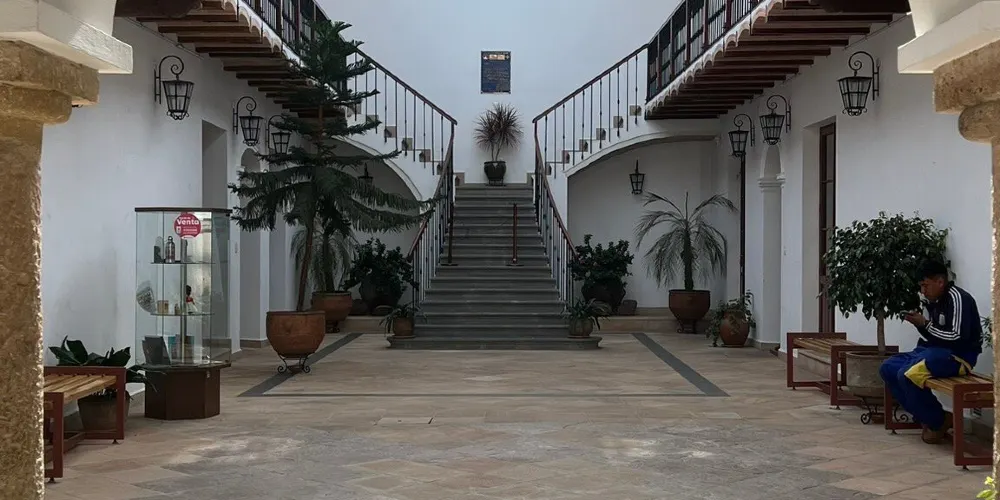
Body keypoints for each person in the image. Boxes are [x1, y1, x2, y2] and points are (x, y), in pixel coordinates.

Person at [878, 260, 982, 444]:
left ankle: (936, 421)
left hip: (957, 357)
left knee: (907, 374)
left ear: (940, 282)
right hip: (933, 351)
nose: (923, 291)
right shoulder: (935, 300)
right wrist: (920, 324)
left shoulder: (959, 298)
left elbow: (957, 337)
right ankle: (934, 417)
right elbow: (935, 334)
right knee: (888, 368)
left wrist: (925, 324)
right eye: (921, 286)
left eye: (925, 285)